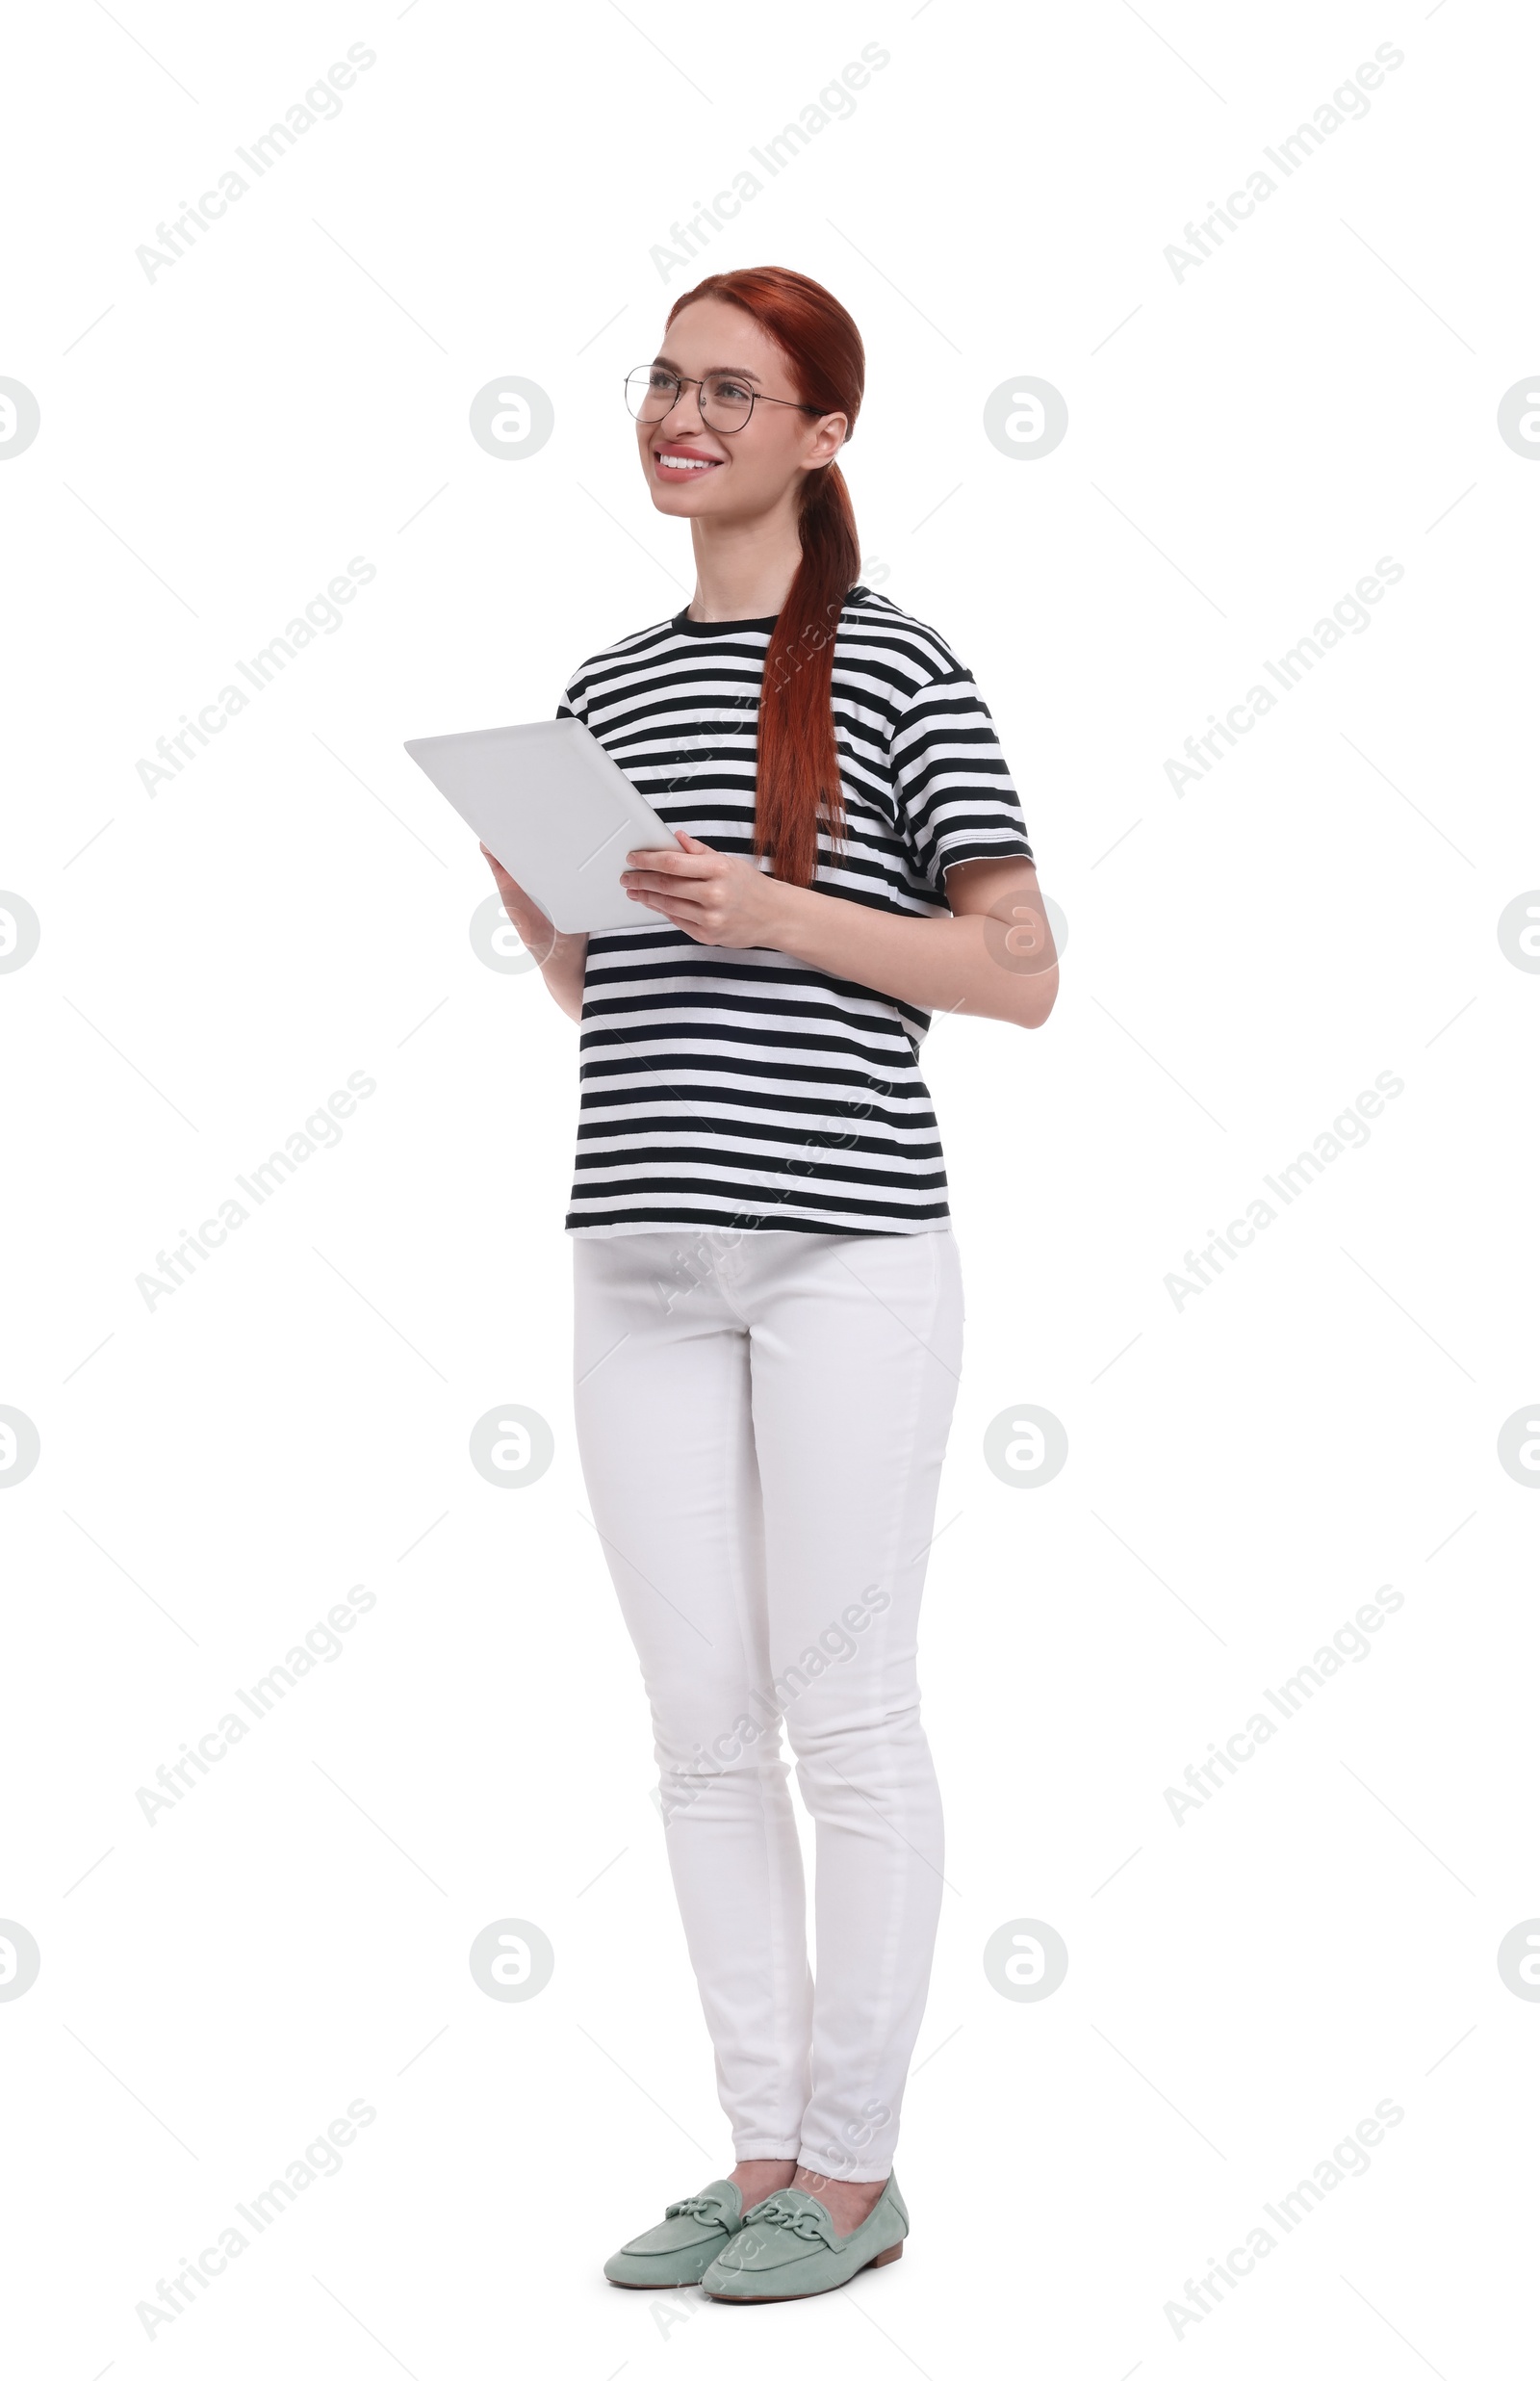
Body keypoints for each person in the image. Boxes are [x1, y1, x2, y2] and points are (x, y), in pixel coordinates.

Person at [481, 264, 1057, 2304]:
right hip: (634, 1254)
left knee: (845, 1711)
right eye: (660, 380)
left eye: (729, 391)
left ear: (821, 435)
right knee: (700, 1725)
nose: (678, 416)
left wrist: (778, 907)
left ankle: (852, 2169)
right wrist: (552, 918)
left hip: (844, 1255)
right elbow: (617, 1003)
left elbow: (1019, 970)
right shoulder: (598, 692)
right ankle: (751, 2149)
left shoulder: (898, 671)